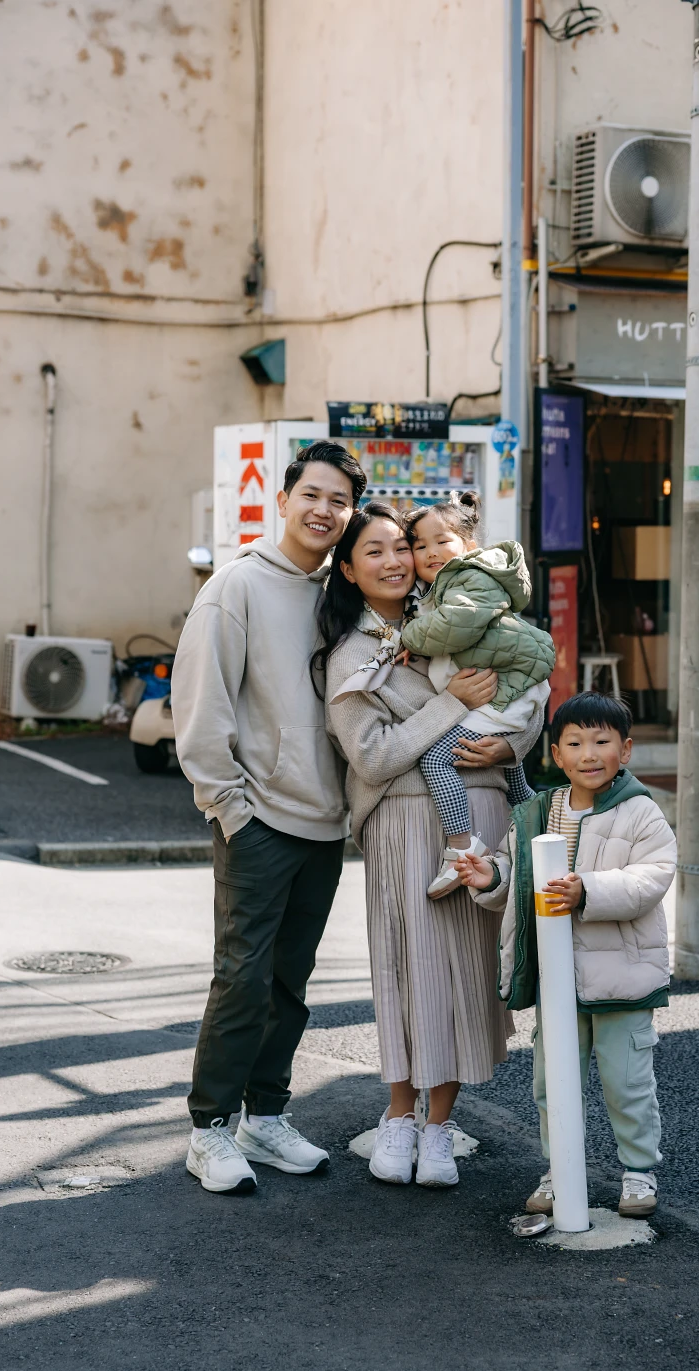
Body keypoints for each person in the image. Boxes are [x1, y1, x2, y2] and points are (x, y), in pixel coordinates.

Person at [318, 503, 545, 1189]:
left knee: (465, 974)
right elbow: (373, 758)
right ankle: (397, 1116)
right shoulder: (353, 653)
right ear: (351, 571)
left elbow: (524, 693)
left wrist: (511, 742)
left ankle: (440, 1126)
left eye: (401, 548)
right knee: (405, 968)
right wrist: (449, 707)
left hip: (479, 810)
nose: (394, 561)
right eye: (376, 551)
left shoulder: (456, 618)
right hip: (401, 820)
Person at [171, 440, 366, 1195]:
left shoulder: (338, 594)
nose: (324, 511)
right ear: (282, 498)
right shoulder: (237, 587)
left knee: (290, 982)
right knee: (241, 979)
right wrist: (231, 809)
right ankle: (209, 1129)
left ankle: (266, 1116)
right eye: (312, 495)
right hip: (256, 822)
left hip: (323, 824)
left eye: (339, 502)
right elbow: (200, 708)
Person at [457, 691, 676, 1219]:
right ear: (555, 755)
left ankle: (639, 1173)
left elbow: (653, 875)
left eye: (602, 742)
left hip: (621, 978)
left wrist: (589, 892)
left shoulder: (640, 811)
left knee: (627, 1083)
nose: (589, 754)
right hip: (557, 978)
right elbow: (518, 875)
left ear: (626, 749)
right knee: (553, 1084)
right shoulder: (536, 811)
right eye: (575, 743)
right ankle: (561, 1171)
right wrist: (492, 878)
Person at [396, 491, 555, 900]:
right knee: (509, 764)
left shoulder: (469, 577)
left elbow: (457, 627)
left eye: (441, 541)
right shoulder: (456, 582)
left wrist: (410, 636)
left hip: (506, 687)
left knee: (436, 758)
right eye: (419, 545)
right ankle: (533, 812)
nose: (430, 552)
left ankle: (462, 845)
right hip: (513, 683)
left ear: (468, 546)